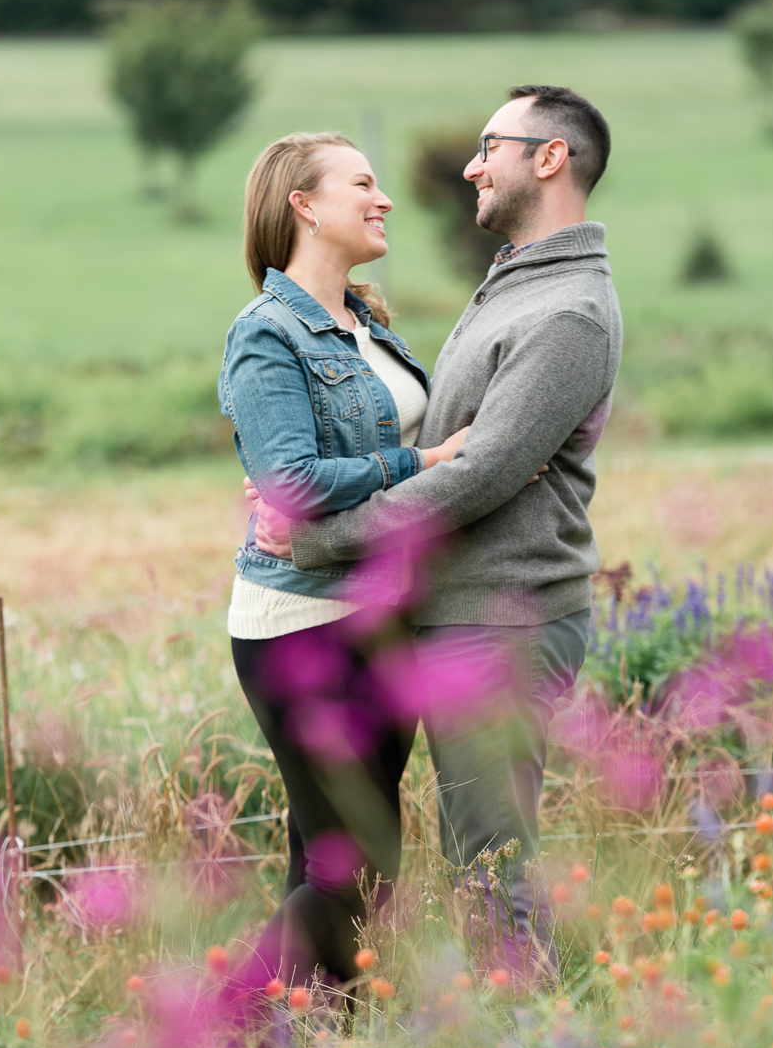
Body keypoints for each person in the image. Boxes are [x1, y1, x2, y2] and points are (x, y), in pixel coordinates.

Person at [250, 85, 623, 980]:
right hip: (461, 610)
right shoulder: (517, 284)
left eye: (490, 145)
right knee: (443, 855)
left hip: (507, 614)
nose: (470, 165)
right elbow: (445, 454)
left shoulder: (564, 311)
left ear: (549, 158)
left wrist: (316, 537)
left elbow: (484, 473)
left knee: (490, 858)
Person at [219, 131, 469, 1000]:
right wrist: (425, 465)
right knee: (358, 860)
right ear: (304, 206)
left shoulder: (369, 325)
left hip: (376, 612)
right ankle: (222, 1037)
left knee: (342, 854)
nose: (384, 197)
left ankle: (319, 1045)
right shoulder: (267, 334)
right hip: (302, 621)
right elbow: (289, 482)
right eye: (362, 183)